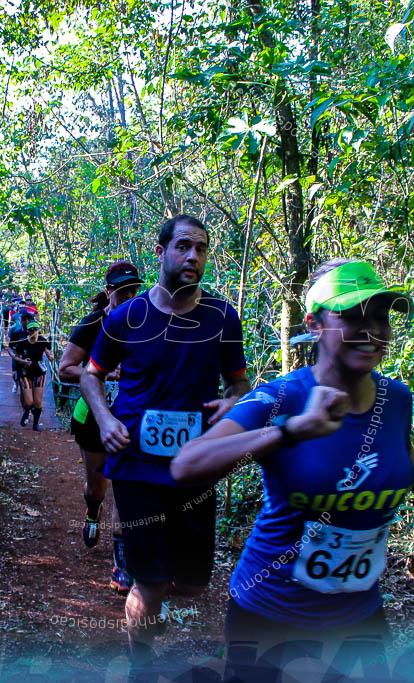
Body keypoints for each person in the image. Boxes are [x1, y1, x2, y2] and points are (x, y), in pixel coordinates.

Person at [170, 258, 414, 682]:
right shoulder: (280, 398)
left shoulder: (397, 399)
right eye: (351, 317)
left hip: (359, 615)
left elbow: (403, 453)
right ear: (314, 324)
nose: (371, 331)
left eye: (380, 317)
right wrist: (292, 430)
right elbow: (187, 464)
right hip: (270, 612)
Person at [80, 215, 251, 677]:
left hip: (195, 468)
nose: (192, 256)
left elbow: (240, 385)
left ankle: (149, 591)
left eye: (200, 248)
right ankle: (142, 662)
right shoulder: (127, 316)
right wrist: (105, 417)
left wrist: (231, 405)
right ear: (160, 252)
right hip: (137, 466)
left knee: (193, 583)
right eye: (182, 246)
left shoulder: (222, 318)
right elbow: (89, 373)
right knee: (152, 580)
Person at [58, 260, 144, 595]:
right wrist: (104, 373)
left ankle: (121, 563)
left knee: (126, 488)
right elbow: (65, 368)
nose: (129, 295)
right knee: (99, 488)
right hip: (93, 416)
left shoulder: (148, 322)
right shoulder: (93, 324)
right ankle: (92, 509)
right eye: (122, 290)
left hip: (133, 417)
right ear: (109, 290)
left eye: (134, 289)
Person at [16, 320, 53, 431]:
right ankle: (26, 411)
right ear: (27, 331)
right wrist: (23, 362)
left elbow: (50, 355)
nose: (33, 331)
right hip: (25, 373)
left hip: (39, 372)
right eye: (31, 329)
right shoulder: (22, 342)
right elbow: (16, 357)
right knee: (28, 402)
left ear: (39, 330)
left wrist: (50, 356)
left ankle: (35, 424)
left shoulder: (43, 341)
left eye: (35, 329)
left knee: (37, 402)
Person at [7, 312, 32, 394]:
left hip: (29, 355)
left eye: (28, 320)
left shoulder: (34, 331)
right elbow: (10, 346)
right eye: (24, 320)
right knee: (15, 373)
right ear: (21, 322)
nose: (27, 322)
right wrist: (13, 355)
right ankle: (15, 382)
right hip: (17, 354)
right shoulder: (16, 332)